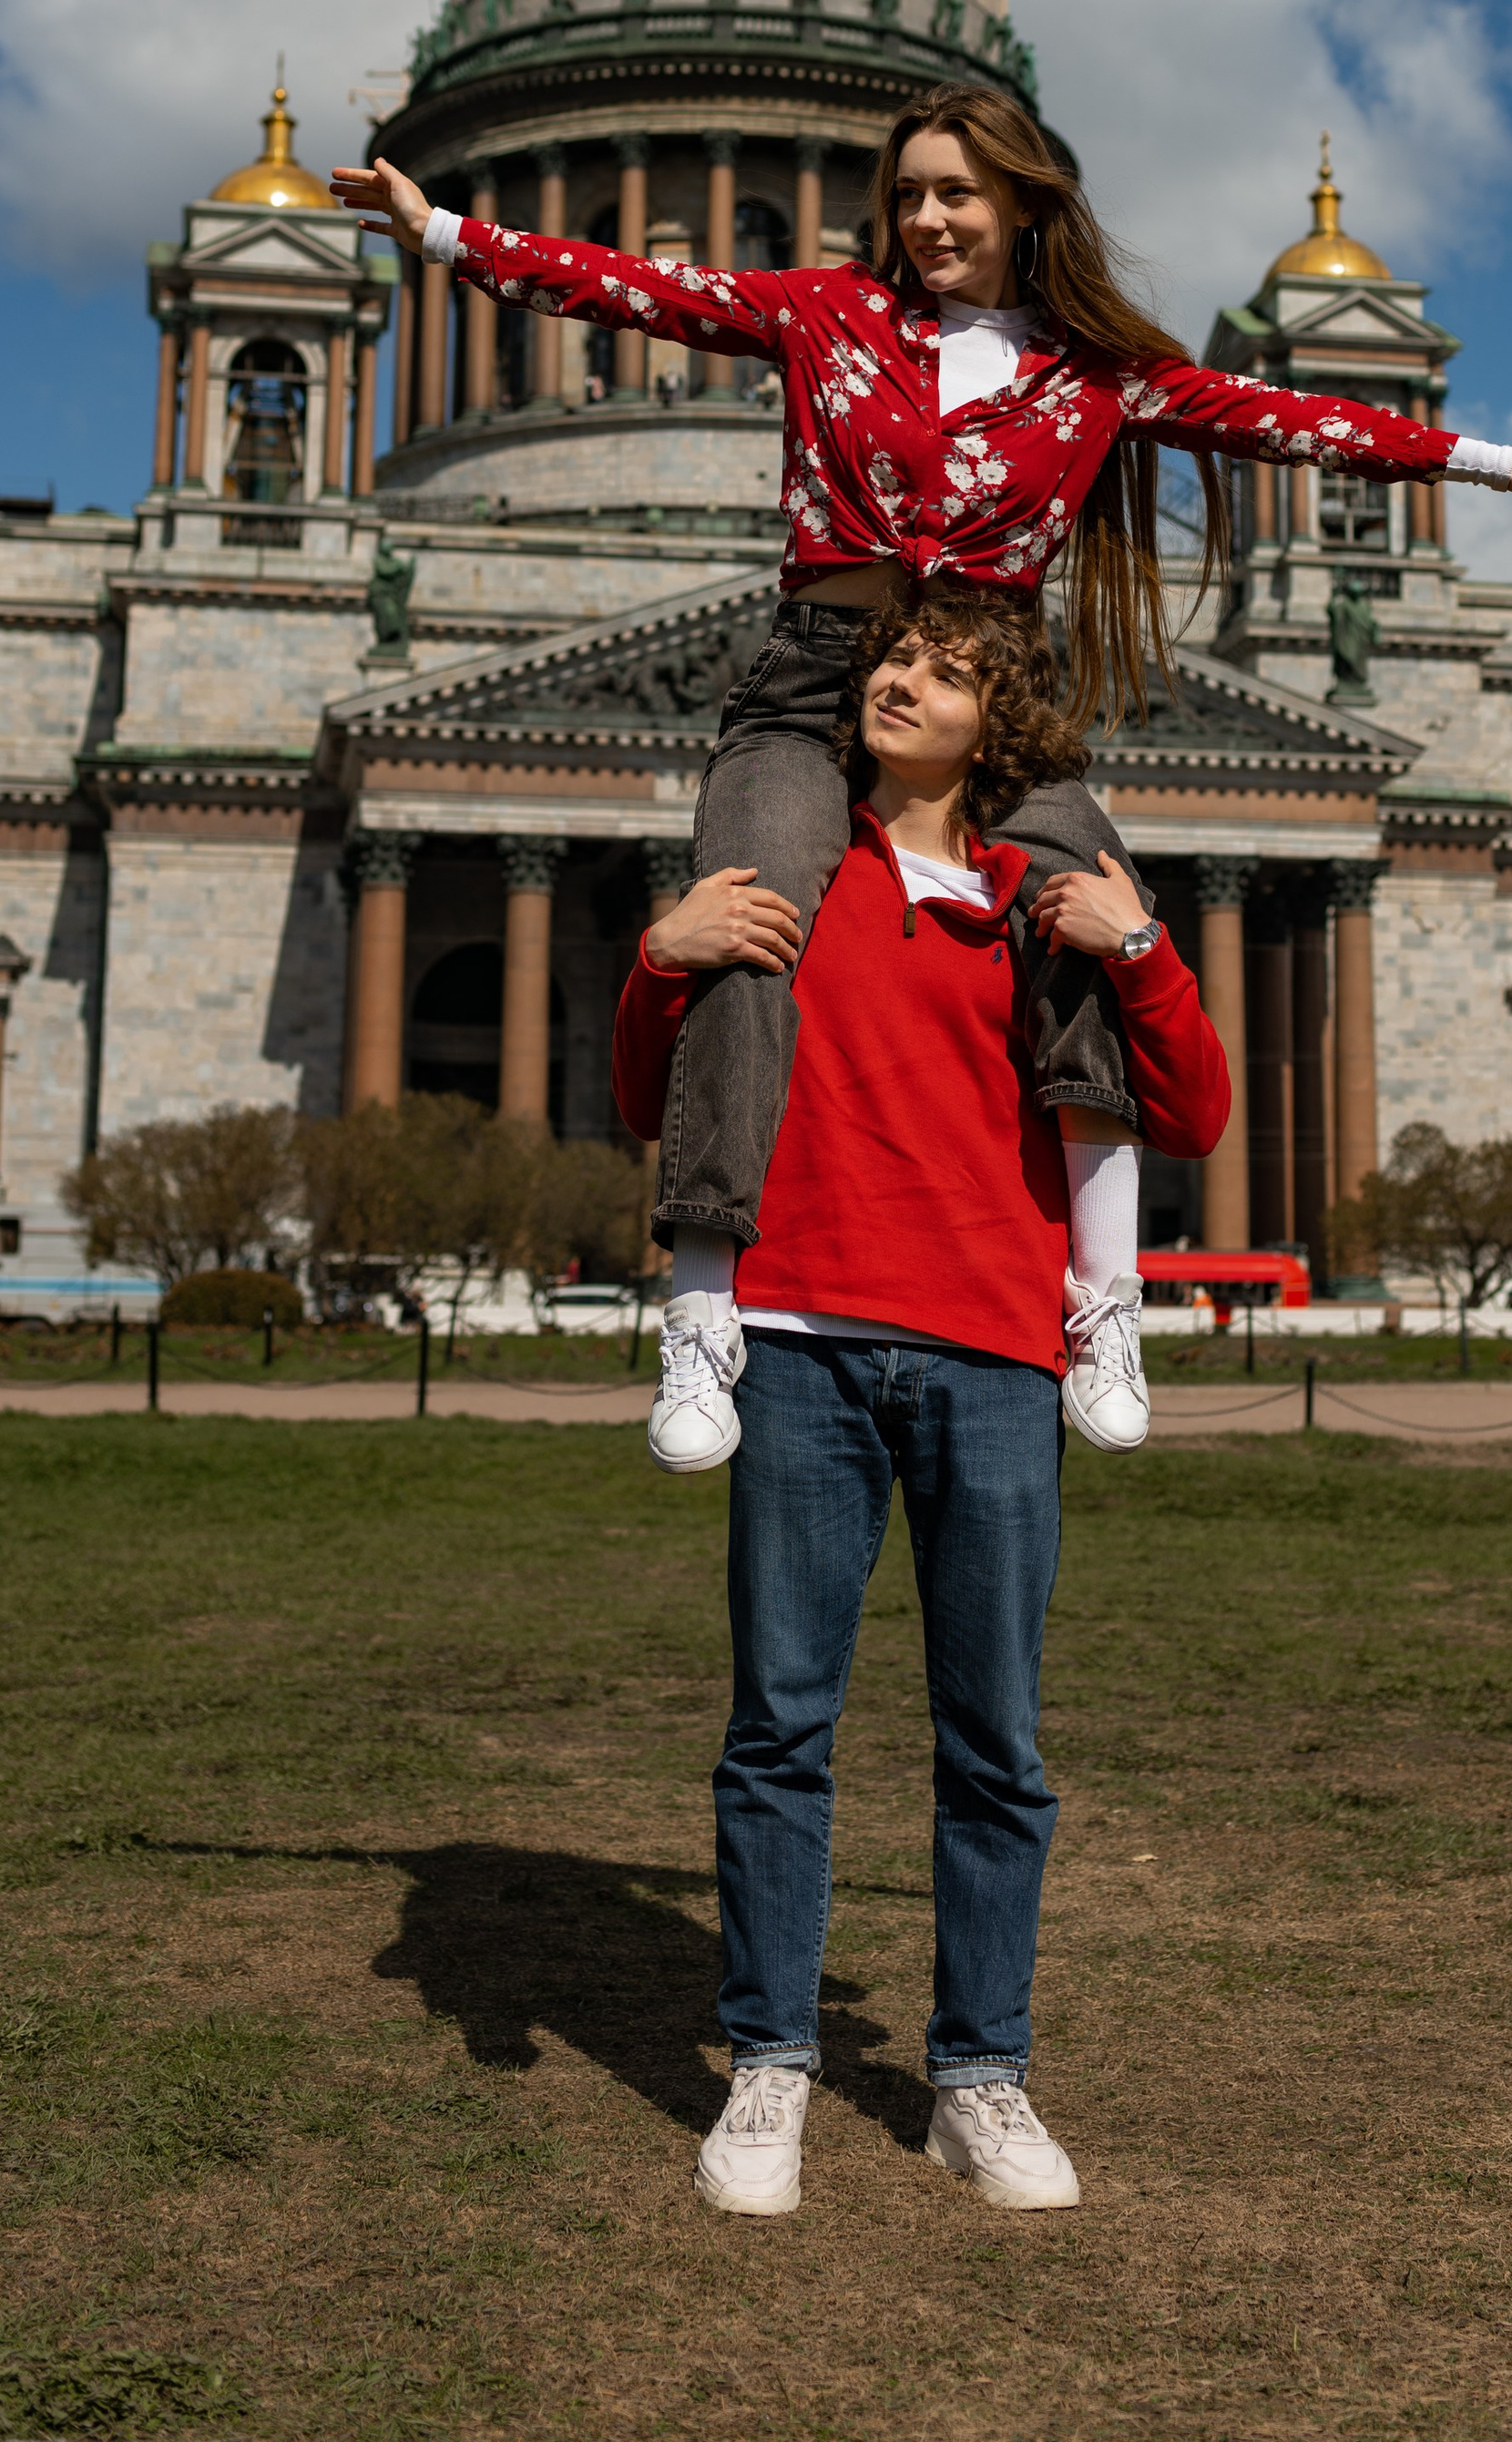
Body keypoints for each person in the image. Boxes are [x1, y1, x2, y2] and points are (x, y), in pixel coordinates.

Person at [333, 89, 1512, 1397]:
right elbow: (636, 291)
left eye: (956, 193)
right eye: (908, 195)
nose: (927, 219)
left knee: (1103, 926)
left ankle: (1105, 1306)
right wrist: (440, 235)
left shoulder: (1096, 375)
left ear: (1022, 206)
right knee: (749, 918)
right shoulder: (826, 316)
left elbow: (1289, 422)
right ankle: (705, 1312)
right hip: (812, 688)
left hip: (994, 700)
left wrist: (1500, 466)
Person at [611, 591, 1230, 2215]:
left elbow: (1192, 1105)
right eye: (892, 659)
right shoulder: (790, 873)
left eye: (946, 672)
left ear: (999, 726)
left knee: (998, 1746)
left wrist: (1146, 948)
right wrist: (657, 962)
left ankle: (981, 2074)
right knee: (779, 1732)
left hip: (991, 1354)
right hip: (801, 1341)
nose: (898, 679)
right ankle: (769, 2067)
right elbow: (655, 1100)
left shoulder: (1044, 895)